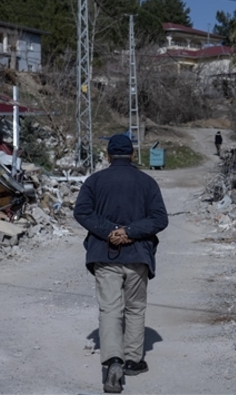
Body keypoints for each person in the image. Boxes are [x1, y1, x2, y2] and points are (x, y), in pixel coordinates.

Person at [73, 134, 169, 394]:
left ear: (107, 155)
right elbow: (160, 219)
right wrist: (129, 231)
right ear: (133, 155)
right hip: (138, 255)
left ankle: (113, 361)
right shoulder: (147, 183)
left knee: (110, 310)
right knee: (135, 309)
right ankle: (133, 361)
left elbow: (81, 212)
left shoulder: (94, 181)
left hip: (105, 254)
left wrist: (110, 231)